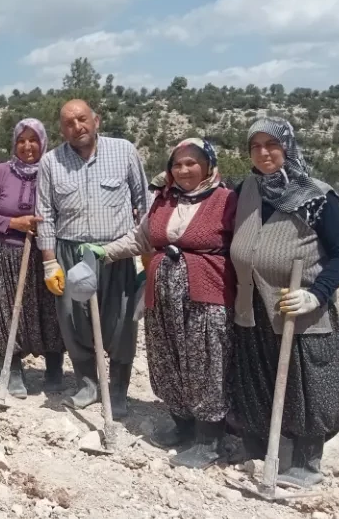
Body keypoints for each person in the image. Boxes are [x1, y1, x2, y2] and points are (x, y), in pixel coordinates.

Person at [84, 138, 237, 468]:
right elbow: (141, 239)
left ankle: (209, 440)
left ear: (208, 165)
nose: (183, 170)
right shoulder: (164, 201)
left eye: (191, 162)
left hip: (206, 298)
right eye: (177, 164)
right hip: (162, 298)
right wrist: (105, 252)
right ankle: (182, 425)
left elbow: (243, 247)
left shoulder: (227, 201)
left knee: (206, 365)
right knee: (167, 359)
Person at [230, 117, 339, 488]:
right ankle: (266, 450)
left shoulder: (316, 196)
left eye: (272, 145)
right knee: (258, 380)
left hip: (299, 308)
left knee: (307, 385)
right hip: (252, 307)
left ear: (288, 147)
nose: (264, 153)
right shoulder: (246, 190)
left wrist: (316, 293)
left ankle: (306, 462)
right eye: (256, 146)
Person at [36, 99, 149, 419]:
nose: (77, 127)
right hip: (69, 252)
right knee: (74, 322)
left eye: (82, 119)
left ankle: (118, 391)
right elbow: (44, 214)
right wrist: (49, 262)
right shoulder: (50, 162)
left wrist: (148, 255)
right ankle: (87, 384)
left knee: (123, 321)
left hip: (116, 252)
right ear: (62, 129)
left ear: (96, 120)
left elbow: (144, 204)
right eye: (69, 123)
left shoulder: (124, 151)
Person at [0, 118, 63, 397]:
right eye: (21, 140)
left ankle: (54, 369)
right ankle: (12, 369)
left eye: (33, 140)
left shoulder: (53, 172)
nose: (27, 146)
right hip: (2, 253)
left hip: (44, 253)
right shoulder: (1, 172)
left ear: (43, 142)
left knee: (49, 312)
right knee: (6, 311)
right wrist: (15, 224)